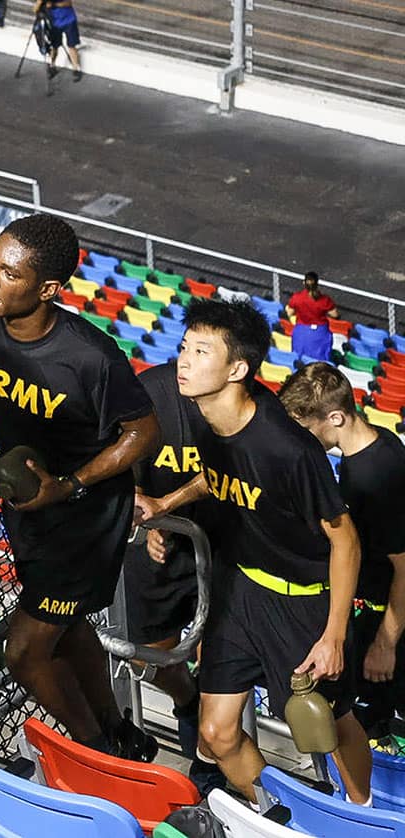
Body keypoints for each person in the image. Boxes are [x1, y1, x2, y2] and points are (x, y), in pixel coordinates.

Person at [0, 213, 161, 758]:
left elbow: (143, 431)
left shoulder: (90, 356)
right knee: (66, 628)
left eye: (9, 273)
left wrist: (70, 484)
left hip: (84, 519)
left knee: (24, 651)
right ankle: (120, 730)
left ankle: (98, 752)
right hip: (28, 507)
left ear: (47, 289)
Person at [135, 299, 371, 805]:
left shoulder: (288, 449)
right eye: (184, 348)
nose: (184, 361)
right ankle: (282, 816)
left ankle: (363, 817)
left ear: (237, 369)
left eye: (201, 352)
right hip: (241, 589)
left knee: (330, 725)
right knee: (216, 733)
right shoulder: (207, 419)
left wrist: (333, 636)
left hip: (302, 601)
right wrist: (165, 504)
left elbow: (345, 539)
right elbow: (216, 476)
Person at [280, 362, 405, 742]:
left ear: (335, 417)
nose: (302, 441)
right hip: (372, 615)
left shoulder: (376, 474)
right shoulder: (373, 447)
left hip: (384, 625)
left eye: (306, 430)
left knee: (377, 732)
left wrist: (385, 644)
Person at [122, 359, 226, 793]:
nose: (189, 361)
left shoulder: (238, 399)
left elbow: (228, 470)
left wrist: (166, 506)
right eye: (187, 349)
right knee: (148, 656)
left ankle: (211, 758)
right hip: (158, 548)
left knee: (221, 662)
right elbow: (123, 465)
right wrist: (146, 515)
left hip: (220, 543)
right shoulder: (147, 391)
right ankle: (187, 699)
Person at [285, 271, 337, 362]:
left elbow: (289, 313)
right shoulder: (325, 300)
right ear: (317, 283)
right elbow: (335, 315)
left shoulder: (297, 298)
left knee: (299, 359)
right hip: (320, 334)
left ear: (304, 283)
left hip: (302, 333)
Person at [33, 0, 83, 81]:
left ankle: (76, 68)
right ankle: (52, 65)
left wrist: (53, 4)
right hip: (54, 23)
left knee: (71, 45)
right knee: (54, 46)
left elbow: (68, 3)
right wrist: (40, 3)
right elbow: (35, 9)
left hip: (69, 20)